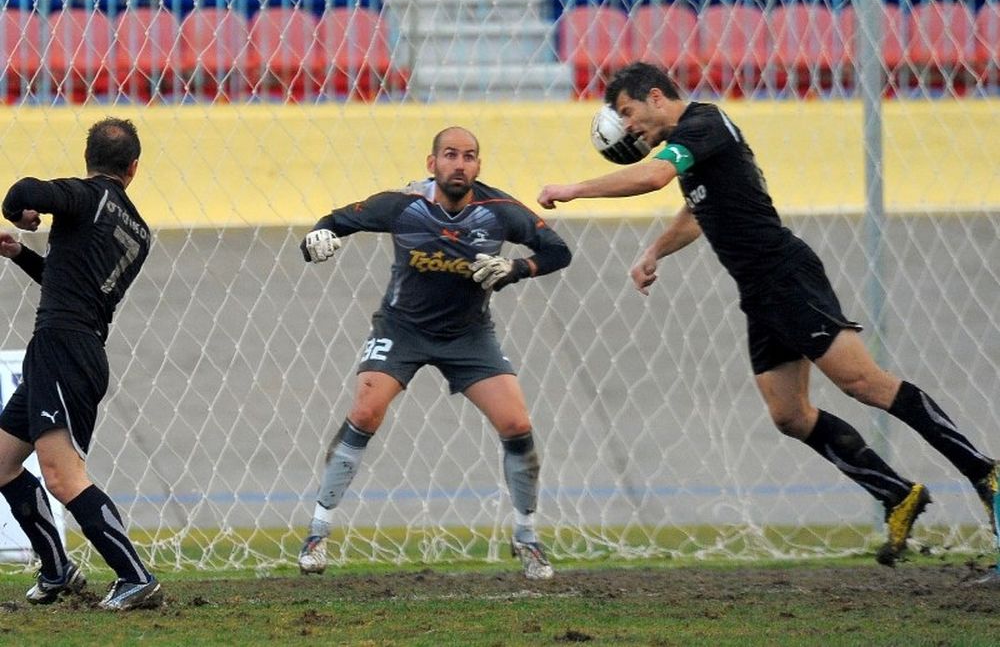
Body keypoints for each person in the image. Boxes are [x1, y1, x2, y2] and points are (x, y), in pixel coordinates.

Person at [537, 62, 998, 567]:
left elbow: (653, 176)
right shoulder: (691, 147)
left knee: (863, 382)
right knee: (790, 414)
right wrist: (654, 252)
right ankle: (897, 493)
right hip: (760, 290)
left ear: (654, 96)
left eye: (628, 113)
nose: (627, 127)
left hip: (785, 276)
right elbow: (696, 214)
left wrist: (573, 189)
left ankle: (983, 471)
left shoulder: (704, 124)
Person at [297, 125, 571, 580]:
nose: (459, 164)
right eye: (450, 155)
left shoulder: (500, 211)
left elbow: (558, 251)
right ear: (432, 163)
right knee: (366, 411)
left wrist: (516, 267)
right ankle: (317, 531)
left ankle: (527, 537)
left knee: (517, 423)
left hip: (469, 335)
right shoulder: (403, 206)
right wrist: (315, 241)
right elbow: (332, 224)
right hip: (402, 328)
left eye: (468, 156)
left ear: (478, 166)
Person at [0, 117, 163, 610]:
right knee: (3, 463)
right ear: (134, 167)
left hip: (64, 349)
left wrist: (18, 213)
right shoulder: (138, 230)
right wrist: (21, 253)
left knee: (63, 475)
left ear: (88, 160)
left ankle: (136, 576)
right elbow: (72, 285)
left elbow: (24, 189)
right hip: (75, 344)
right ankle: (57, 570)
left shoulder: (86, 196)